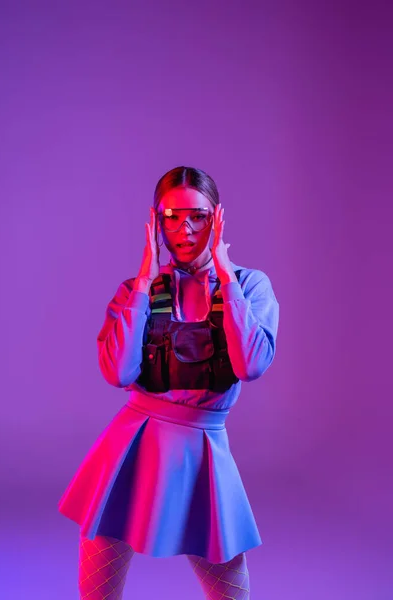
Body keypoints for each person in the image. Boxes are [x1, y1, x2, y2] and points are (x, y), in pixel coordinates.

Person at [58, 166, 280, 599]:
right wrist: (143, 280)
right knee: (97, 585)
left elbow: (251, 363)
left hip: (202, 450)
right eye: (171, 216)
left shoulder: (249, 285)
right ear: (156, 221)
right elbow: (118, 373)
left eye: (196, 216)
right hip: (131, 445)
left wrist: (224, 274)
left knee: (230, 586)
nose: (185, 229)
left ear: (216, 217)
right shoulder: (139, 290)